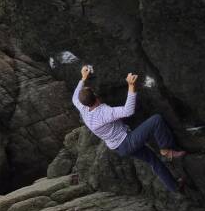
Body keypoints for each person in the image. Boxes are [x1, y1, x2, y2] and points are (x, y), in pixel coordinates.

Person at [71, 65, 186, 193]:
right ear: (96, 97)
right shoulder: (103, 113)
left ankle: (175, 187)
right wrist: (131, 86)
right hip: (127, 141)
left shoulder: (83, 109)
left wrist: (83, 78)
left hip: (119, 147)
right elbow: (128, 110)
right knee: (156, 120)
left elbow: (75, 97)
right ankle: (166, 149)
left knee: (153, 160)